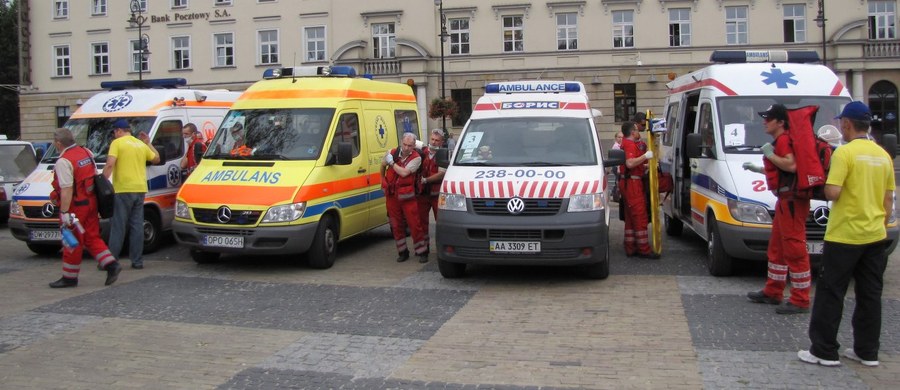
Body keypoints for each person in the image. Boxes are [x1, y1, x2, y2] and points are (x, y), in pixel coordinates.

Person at [799, 101, 895, 367]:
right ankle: (867, 352)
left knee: (831, 293)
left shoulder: (844, 153)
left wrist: (823, 181)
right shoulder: (882, 154)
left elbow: (833, 193)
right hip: (875, 235)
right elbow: (888, 200)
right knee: (870, 295)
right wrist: (880, 224)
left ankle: (824, 351)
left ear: (847, 124)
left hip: (844, 235)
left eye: (842, 122)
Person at [743, 104, 812, 315]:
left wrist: (769, 155)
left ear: (780, 122)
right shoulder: (784, 139)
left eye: (769, 118)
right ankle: (773, 291)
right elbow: (785, 169)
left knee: (794, 248)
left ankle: (800, 299)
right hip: (786, 200)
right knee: (778, 248)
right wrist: (762, 168)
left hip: (792, 201)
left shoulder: (783, 140)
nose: (764, 121)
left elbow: (790, 166)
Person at [48, 128, 122, 288]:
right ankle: (111, 265)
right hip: (91, 202)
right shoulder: (85, 152)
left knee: (71, 241)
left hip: (75, 207)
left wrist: (64, 212)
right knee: (92, 237)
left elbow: (67, 189)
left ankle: (69, 277)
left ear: (58, 143)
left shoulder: (64, 161)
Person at [102, 118, 160, 270]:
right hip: (140, 189)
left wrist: (101, 183)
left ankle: (111, 261)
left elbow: (110, 164)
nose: (114, 135)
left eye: (114, 132)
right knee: (137, 226)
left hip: (123, 189)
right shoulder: (139, 144)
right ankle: (137, 261)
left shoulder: (117, 143)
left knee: (118, 226)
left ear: (119, 131)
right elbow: (157, 158)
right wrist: (148, 143)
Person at [382, 132, 429, 263]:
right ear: (401, 142)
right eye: (404, 144)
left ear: (414, 145)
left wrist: (391, 163)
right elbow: (382, 165)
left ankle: (422, 251)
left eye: (409, 145)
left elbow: (404, 173)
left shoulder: (416, 158)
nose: (406, 148)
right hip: (392, 196)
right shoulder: (392, 152)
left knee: (415, 225)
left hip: (408, 197)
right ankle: (402, 251)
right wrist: (382, 179)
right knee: (396, 225)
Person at [619, 121, 658, 259]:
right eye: (636, 130)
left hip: (628, 182)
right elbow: (630, 163)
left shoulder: (626, 143)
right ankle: (644, 249)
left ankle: (630, 247)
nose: (638, 132)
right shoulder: (629, 144)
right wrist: (645, 156)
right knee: (639, 216)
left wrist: (644, 165)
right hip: (633, 184)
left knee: (630, 218)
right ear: (632, 132)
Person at [418, 129, 446, 230]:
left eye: (437, 140)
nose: (434, 142)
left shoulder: (444, 154)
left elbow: (441, 174)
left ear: (442, 142)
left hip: (437, 194)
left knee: (441, 222)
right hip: (423, 193)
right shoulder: (423, 151)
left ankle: (442, 245)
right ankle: (424, 245)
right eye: (432, 139)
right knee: (421, 222)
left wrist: (425, 180)